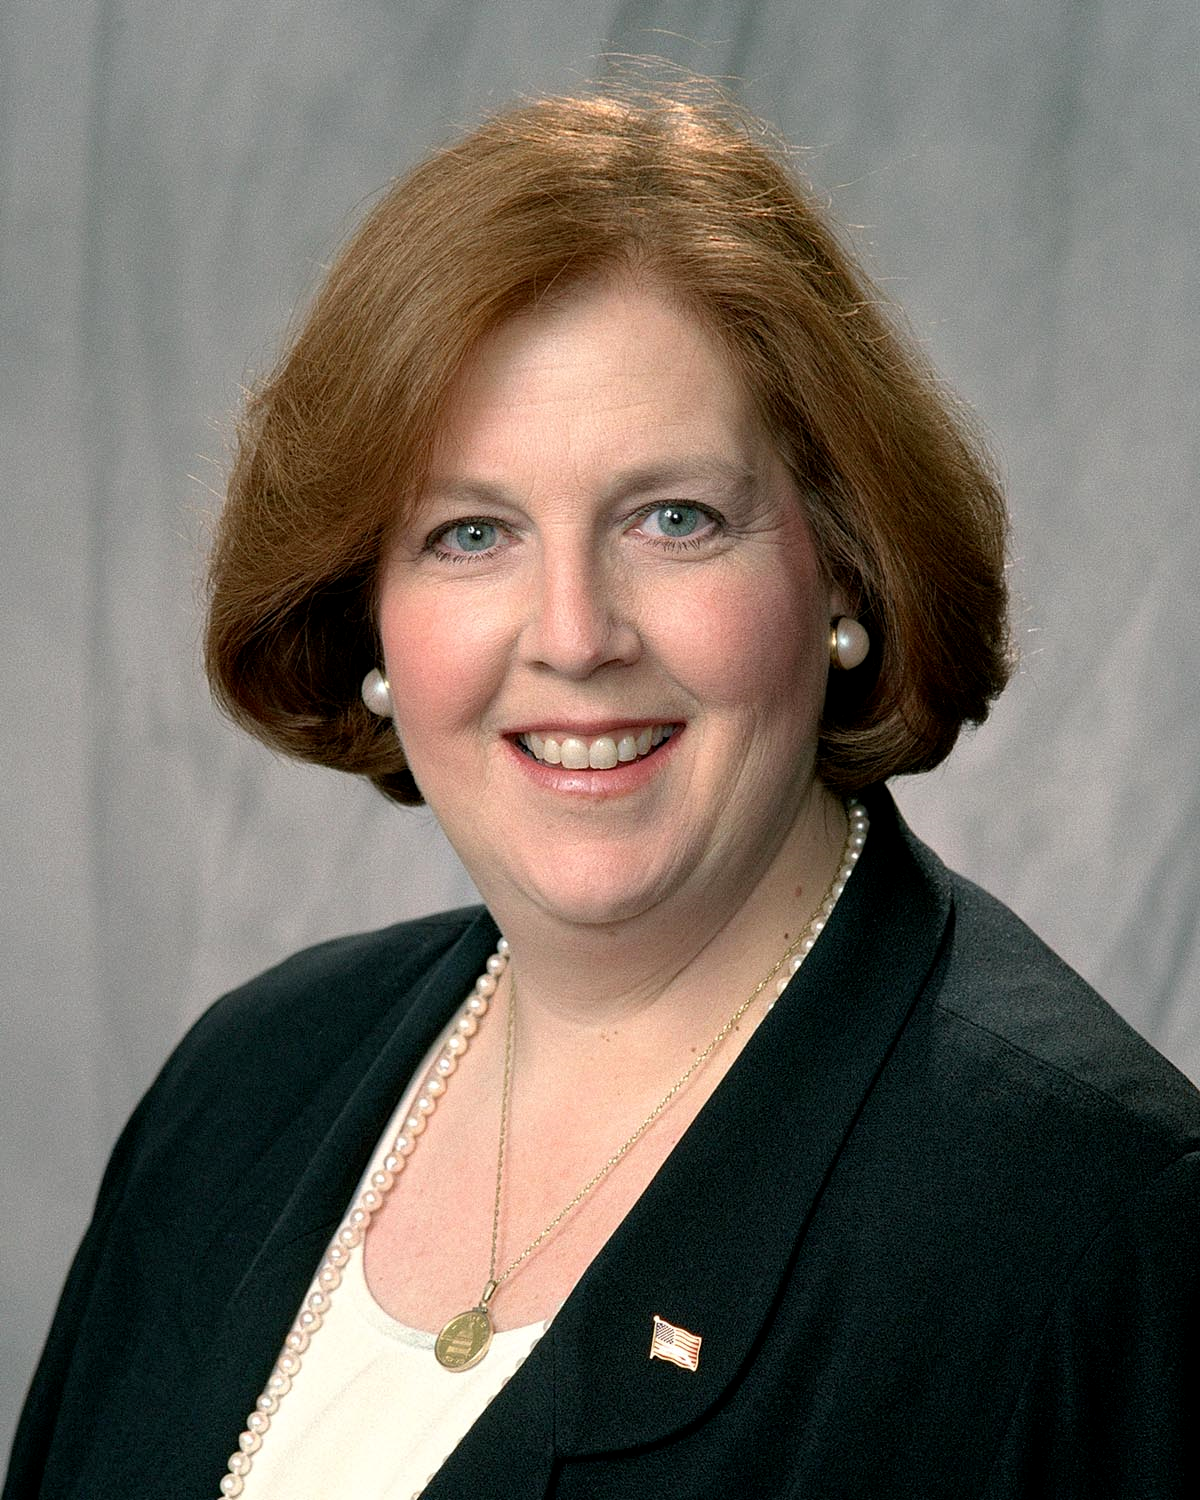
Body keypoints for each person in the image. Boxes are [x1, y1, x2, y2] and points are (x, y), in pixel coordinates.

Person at [6, 86, 1198, 1500]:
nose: (574, 637)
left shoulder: (1089, 1225)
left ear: (845, 568)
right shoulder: (241, 1092)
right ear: (368, 613)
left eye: (672, 519)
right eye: (470, 533)